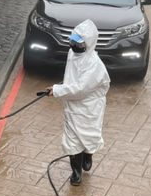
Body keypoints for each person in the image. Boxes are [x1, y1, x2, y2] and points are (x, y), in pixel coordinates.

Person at [46, 19, 110, 186]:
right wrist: (62, 87)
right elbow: (73, 78)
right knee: (72, 139)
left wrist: (58, 90)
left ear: (88, 44)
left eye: (78, 43)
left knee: (89, 135)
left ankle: (88, 153)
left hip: (89, 108)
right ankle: (76, 172)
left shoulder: (95, 65)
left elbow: (81, 88)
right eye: (72, 41)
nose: (74, 46)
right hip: (72, 105)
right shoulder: (72, 54)